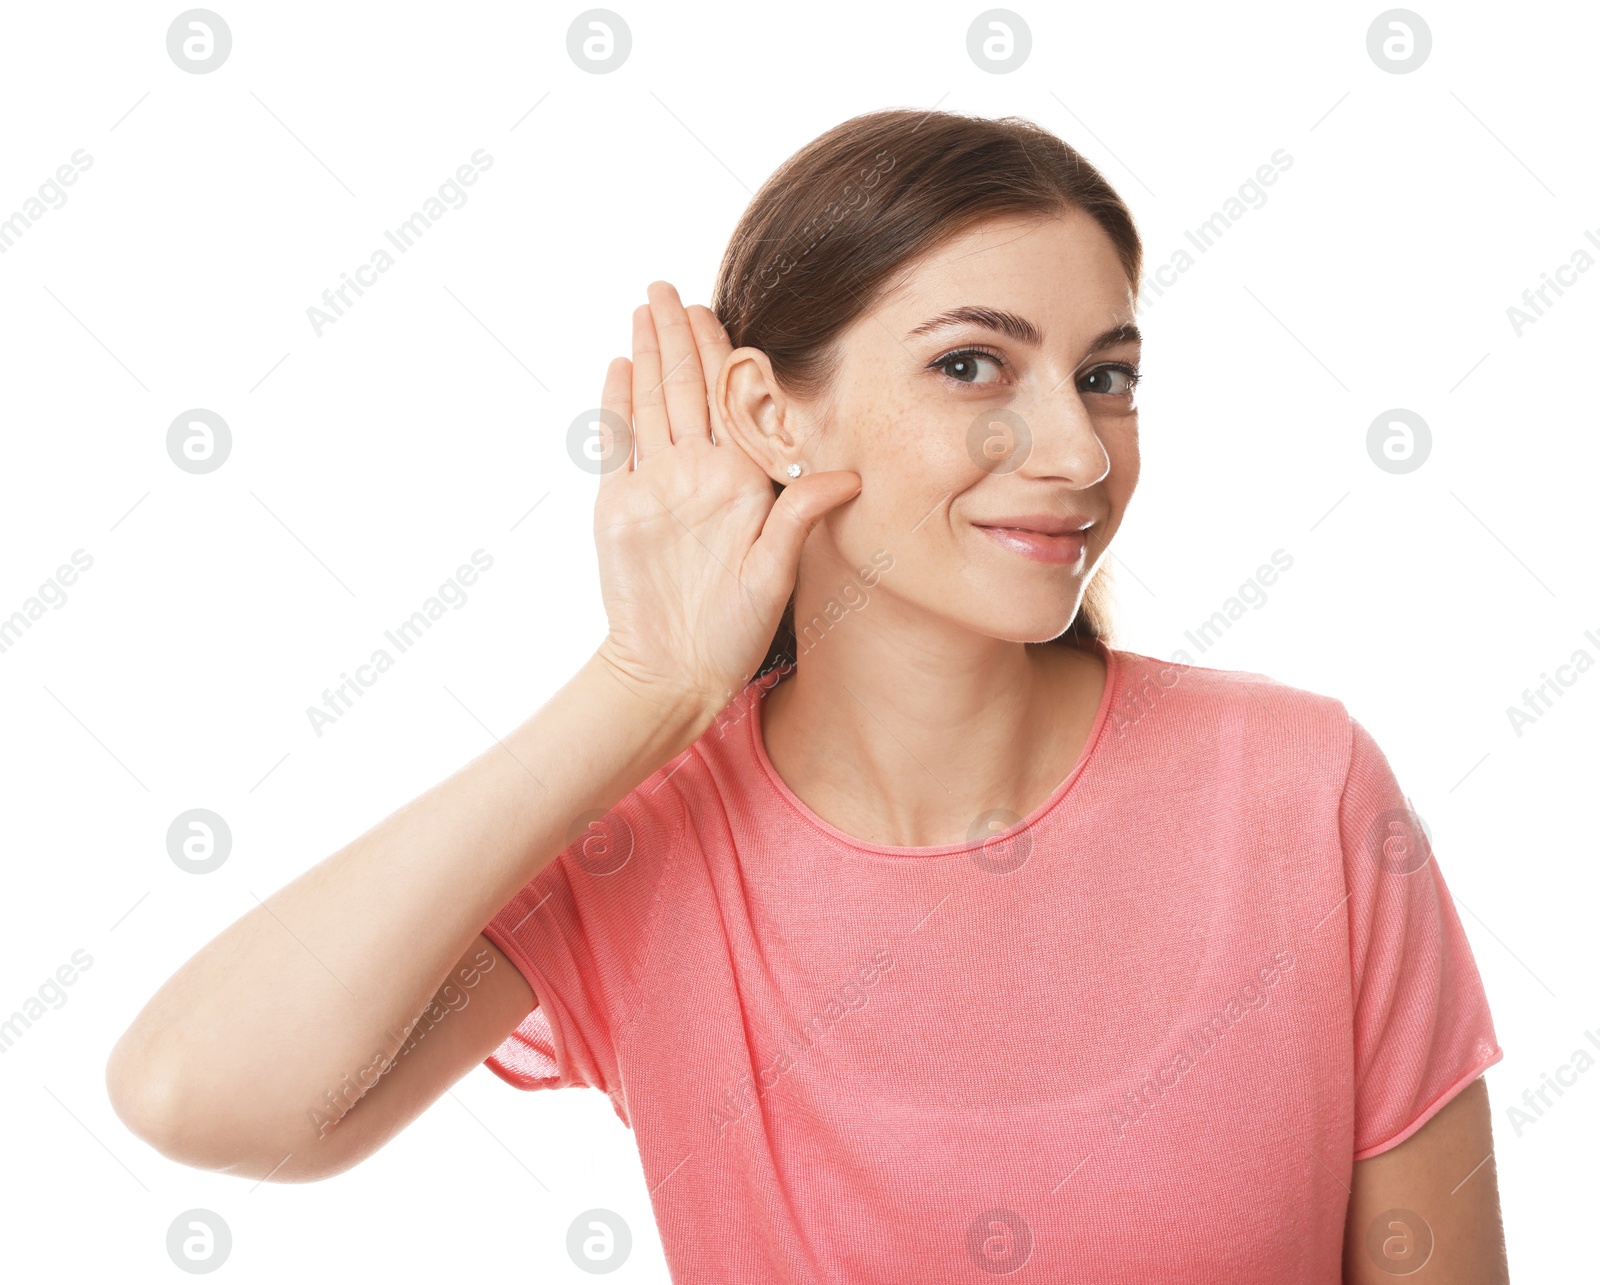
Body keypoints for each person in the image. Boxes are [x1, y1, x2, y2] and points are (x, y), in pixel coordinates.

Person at [107, 109, 1507, 1283]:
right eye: (975, 364)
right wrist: (643, 686)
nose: (1079, 448)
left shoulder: (1299, 787)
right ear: (775, 416)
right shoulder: (649, 833)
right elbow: (196, 1092)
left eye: (1108, 376)